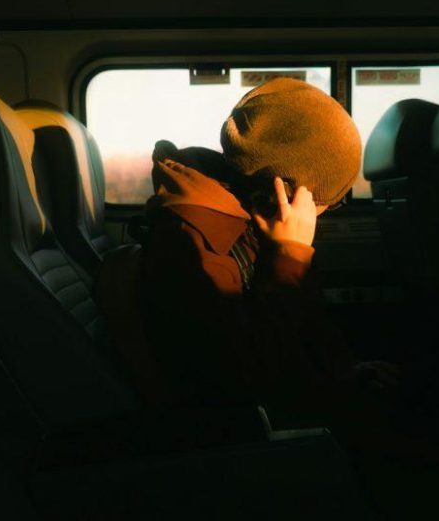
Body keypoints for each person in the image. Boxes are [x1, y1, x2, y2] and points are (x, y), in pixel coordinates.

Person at [139, 77, 400, 428]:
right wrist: (289, 256)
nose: (318, 215)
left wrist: (344, 373)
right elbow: (251, 380)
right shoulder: (192, 243)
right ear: (279, 195)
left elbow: (295, 335)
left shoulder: (248, 221)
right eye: (323, 203)